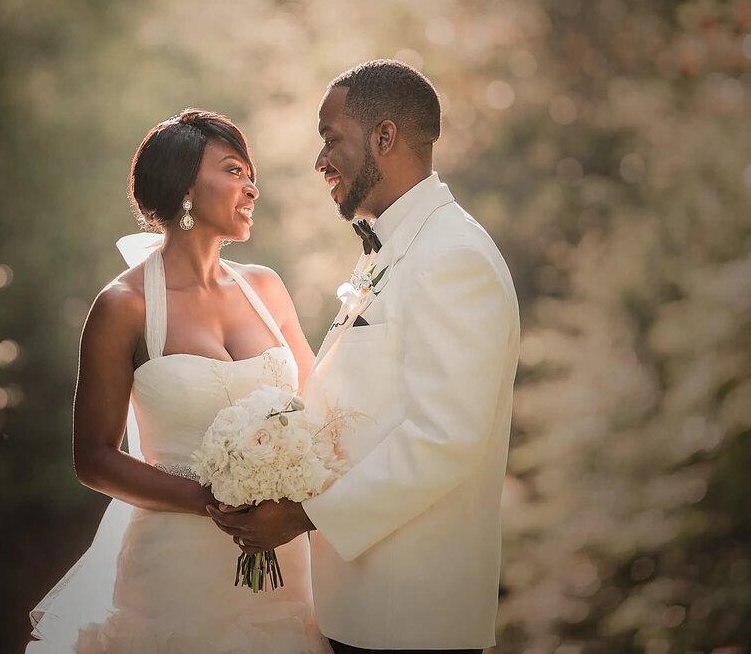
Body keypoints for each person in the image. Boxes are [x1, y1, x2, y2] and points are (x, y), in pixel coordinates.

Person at [209, 60, 521, 653]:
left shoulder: (455, 257)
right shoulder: (395, 249)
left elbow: (444, 437)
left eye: (331, 138)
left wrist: (306, 514)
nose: (320, 160)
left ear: (384, 137)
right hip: (359, 608)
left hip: (412, 618)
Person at [27, 109, 328, 653]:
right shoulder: (124, 306)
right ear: (185, 185)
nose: (252, 187)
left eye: (250, 173)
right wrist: (213, 501)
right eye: (234, 170)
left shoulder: (267, 289)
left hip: (286, 567)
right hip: (174, 575)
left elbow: (321, 406)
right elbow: (93, 458)